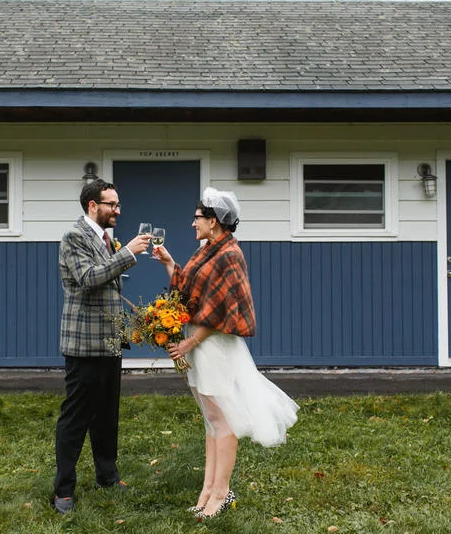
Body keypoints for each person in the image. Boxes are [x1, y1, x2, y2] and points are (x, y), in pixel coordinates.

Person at [153, 187, 299, 520]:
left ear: (215, 221)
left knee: (224, 421)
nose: (193, 224)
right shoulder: (206, 250)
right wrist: (170, 262)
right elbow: (188, 288)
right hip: (200, 344)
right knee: (211, 421)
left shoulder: (230, 254)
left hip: (214, 346)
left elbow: (224, 309)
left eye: (198, 218)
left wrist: (190, 343)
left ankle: (222, 493)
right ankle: (207, 492)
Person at [52, 178, 152, 514]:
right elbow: (89, 278)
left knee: (107, 414)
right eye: (112, 204)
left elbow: (108, 284)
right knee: (76, 417)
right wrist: (127, 254)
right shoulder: (74, 237)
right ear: (93, 205)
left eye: (118, 204)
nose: (118, 210)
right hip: (83, 343)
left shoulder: (105, 238)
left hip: (110, 338)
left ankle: (107, 476)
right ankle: (63, 490)